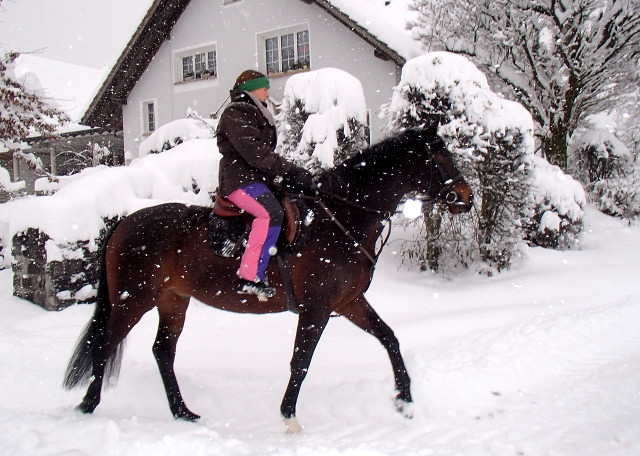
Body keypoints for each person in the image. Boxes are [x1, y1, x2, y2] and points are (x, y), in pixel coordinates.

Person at [216, 70, 313, 299]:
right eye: (265, 88)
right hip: (239, 181)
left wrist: (284, 177)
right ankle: (249, 277)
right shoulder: (236, 112)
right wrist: (289, 169)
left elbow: (262, 155)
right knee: (270, 214)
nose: (268, 93)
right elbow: (255, 153)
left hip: (256, 180)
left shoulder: (255, 111)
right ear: (250, 88)